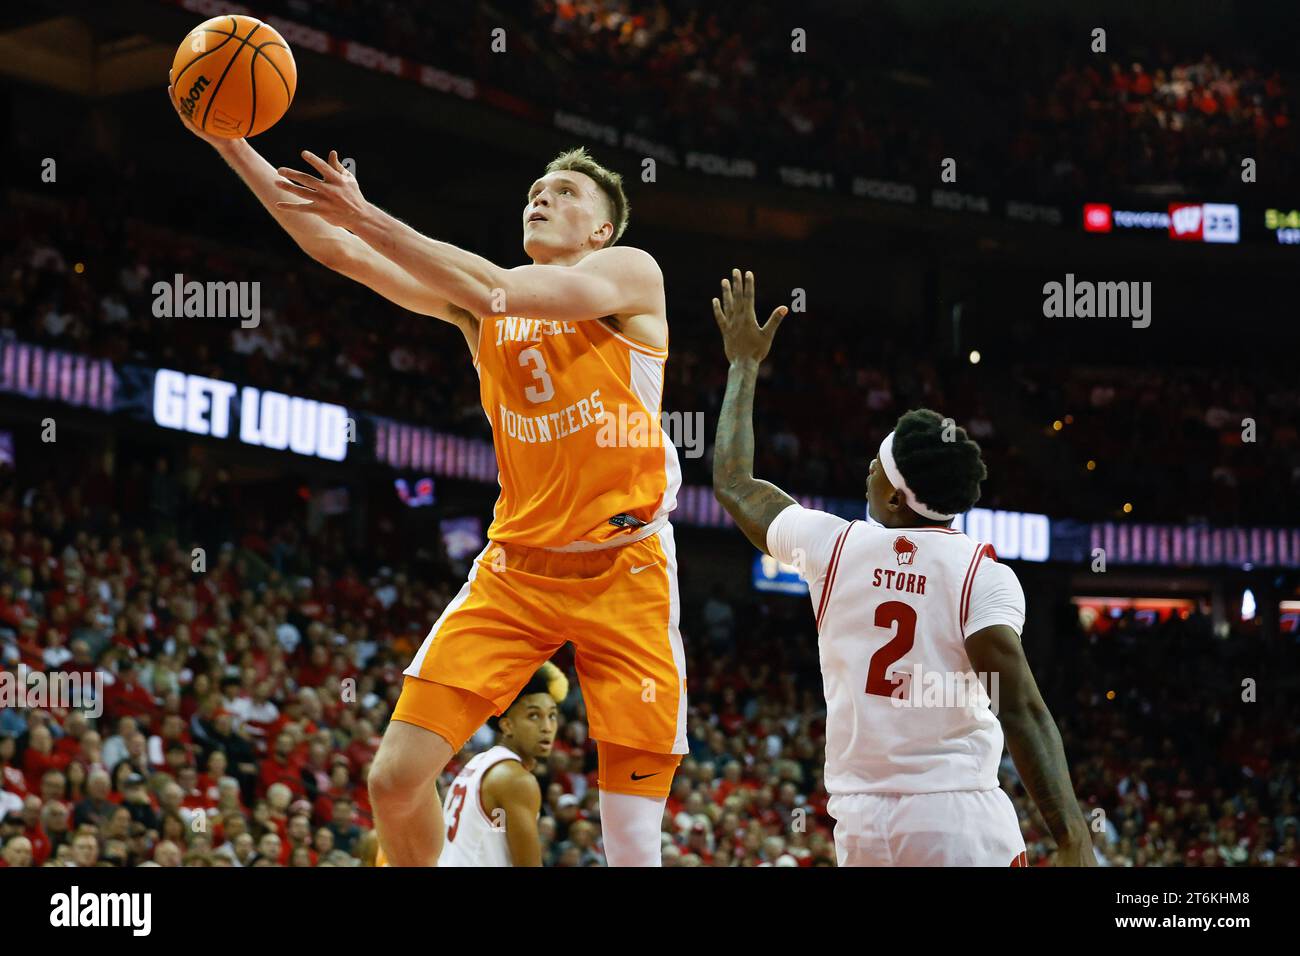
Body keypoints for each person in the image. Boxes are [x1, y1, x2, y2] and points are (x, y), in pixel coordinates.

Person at [171, 89, 686, 867]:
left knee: (633, 848)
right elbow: (340, 251)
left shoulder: (628, 275)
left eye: (564, 193)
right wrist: (227, 141)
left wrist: (367, 212)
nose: (541, 199)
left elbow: (494, 285)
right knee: (394, 781)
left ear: (603, 227)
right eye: (534, 193)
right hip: (518, 572)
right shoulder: (484, 315)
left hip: (628, 570)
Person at [709, 270, 1094, 866]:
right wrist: (1073, 839)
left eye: (877, 465)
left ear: (894, 498)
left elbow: (734, 482)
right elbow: (1020, 707)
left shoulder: (833, 547)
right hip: (956, 822)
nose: (868, 468)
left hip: (862, 824)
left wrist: (743, 365)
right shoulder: (980, 573)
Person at [377, 662, 564, 867]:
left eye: (552, 715)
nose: (547, 727)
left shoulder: (478, 763)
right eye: (534, 716)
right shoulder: (516, 780)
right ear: (507, 725)